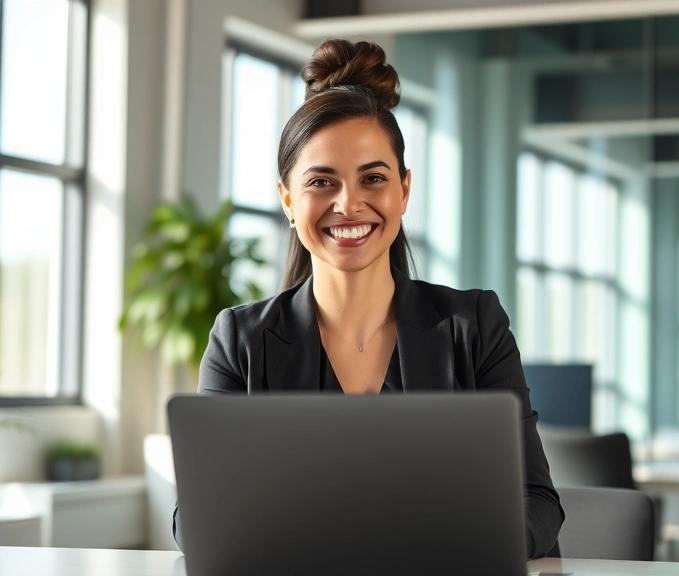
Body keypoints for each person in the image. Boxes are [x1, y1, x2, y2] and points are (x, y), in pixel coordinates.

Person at [172, 38, 564, 559]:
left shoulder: (474, 326)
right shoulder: (240, 341)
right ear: (288, 199)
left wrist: (438, 555)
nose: (348, 204)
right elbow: (199, 518)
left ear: (403, 190)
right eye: (321, 181)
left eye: (373, 178)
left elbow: (537, 502)